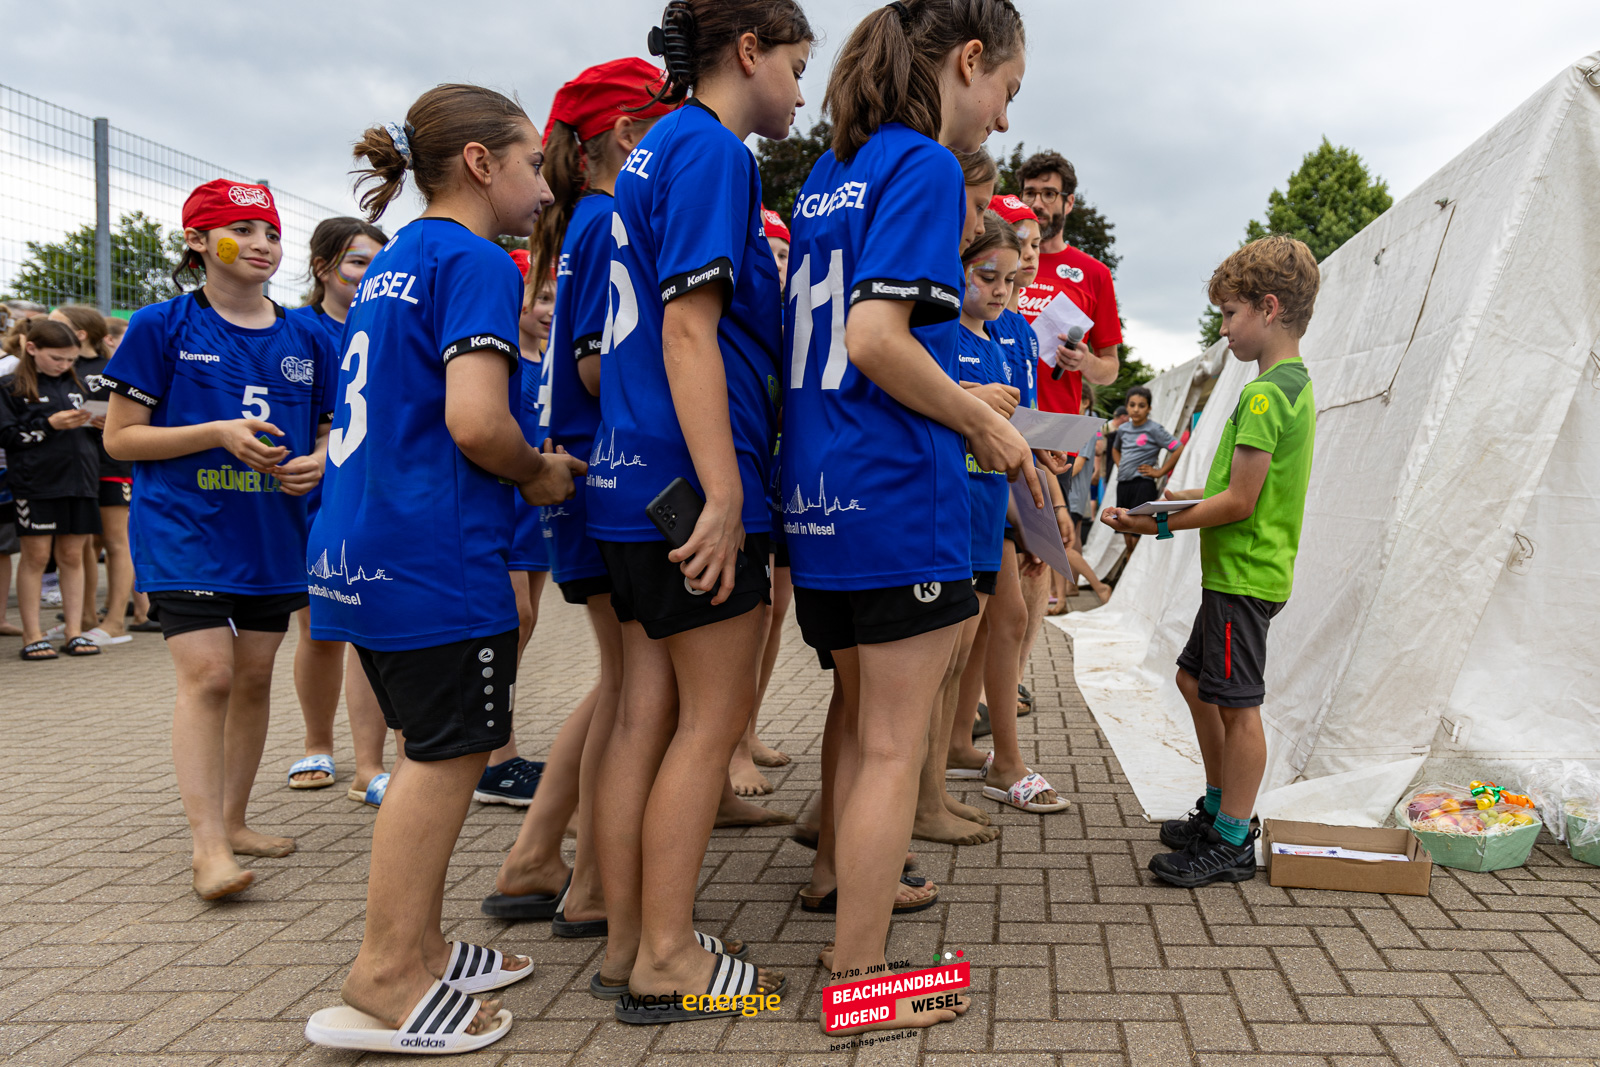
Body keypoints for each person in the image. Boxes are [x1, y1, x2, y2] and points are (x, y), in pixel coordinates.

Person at [301, 86, 585, 1054]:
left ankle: (419, 945)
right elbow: (474, 419)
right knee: (447, 754)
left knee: (433, 741)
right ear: (479, 162)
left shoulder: (396, 259)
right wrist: (539, 471)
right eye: (533, 163)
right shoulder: (475, 259)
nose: (544, 186)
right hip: (432, 550)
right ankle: (385, 970)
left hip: (360, 542)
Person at [785, 0, 1034, 1036]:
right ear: (969, 61)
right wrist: (983, 420)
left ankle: (837, 887)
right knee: (893, 745)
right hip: (893, 489)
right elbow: (877, 338)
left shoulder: (826, 172)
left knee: (857, 719)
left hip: (818, 489)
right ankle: (860, 978)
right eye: (1007, 91)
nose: (1003, 119)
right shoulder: (924, 165)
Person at [585, 1, 809, 1025]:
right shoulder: (714, 151)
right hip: (688, 479)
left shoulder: (653, 146)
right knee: (707, 722)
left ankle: (630, 937)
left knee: (644, 714)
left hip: (626, 474)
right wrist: (725, 492)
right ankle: (667, 955)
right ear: (749, 51)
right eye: (794, 66)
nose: (799, 93)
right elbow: (688, 331)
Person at [481, 59, 678, 946]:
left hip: (592, 469)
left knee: (621, 686)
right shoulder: (605, 220)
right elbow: (600, 364)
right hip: (605, 469)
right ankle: (590, 881)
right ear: (629, 136)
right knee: (637, 692)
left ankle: (538, 859)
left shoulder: (585, 220)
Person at [101, 179, 336, 899]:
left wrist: (320, 459)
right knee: (211, 676)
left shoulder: (307, 335)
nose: (263, 244)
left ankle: (234, 821)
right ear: (198, 241)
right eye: (243, 229)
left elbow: (333, 430)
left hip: (270, 533)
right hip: (186, 530)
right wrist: (216, 433)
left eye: (272, 232)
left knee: (256, 676)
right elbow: (119, 439)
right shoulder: (161, 325)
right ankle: (208, 850)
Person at [1102, 235, 1320, 887]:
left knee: (1237, 705)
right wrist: (1172, 500)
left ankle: (1232, 837)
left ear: (1268, 308)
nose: (1222, 329)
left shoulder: (1264, 395)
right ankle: (1223, 806)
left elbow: (1239, 503)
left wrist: (1154, 523)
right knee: (1194, 681)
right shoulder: (1291, 385)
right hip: (1243, 573)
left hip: (1243, 575)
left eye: (1229, 314)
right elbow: (1236, 488)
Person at [283, 217, 391, 797]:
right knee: (320, 631)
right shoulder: (296, 330)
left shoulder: (391, 322)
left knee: (369, 628)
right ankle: (316, 744)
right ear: (323, 268)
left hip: (374, 499)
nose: (368, 274)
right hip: (310, 498)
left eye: (378, 263)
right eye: (357, 261)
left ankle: (370, 766)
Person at [475, 249, 555, 805]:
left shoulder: (549, 362)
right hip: (503, 506)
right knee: (512, 620)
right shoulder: (499, 357)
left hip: (537, 512)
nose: (550, 309)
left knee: (523, 628)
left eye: (555, 298)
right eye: (540, 297)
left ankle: (498, 745)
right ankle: (494, 757)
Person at [729, 202, 797, 797]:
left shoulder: (793, 321)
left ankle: (748, 729)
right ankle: (730, 747)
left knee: (775, 612)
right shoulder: (741, 317)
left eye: (785, 256)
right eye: (769, 254)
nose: (778, 266)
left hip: (786, 480)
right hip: (751, 477)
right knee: (751, 612)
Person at [0, 318, 102, 660]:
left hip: (81, 481)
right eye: (57, 358)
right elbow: (8, 437)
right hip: (36, 484)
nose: (64, 365)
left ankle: (74, 631)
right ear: (31, 348)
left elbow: (93, 436)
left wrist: (99, 424)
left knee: (72, 556)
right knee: (37, 557)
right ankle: (32, 635)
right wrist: (48, 424)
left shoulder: (77, 385)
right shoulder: (10, 386)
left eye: (70, 359)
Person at [48, 304, 134, 647]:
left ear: (81, 333)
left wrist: (110, 420)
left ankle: (115, 621)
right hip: (75, 466)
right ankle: (83, 618)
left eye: (57, 324)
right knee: (79, 543)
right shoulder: (61, 368)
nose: (49, 328)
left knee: (115, 541)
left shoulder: (111, 366)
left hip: (111, 464)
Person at [1015, 150, 1119, 413]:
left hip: (1055, 427)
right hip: (995, 419)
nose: (1037, 203)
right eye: (1030, 193)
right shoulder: (998, 260)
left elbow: (1110, 369)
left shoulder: (1095, 273)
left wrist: (1085, 362)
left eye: (1049, 194)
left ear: (1069, 202)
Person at [1110, 384, 1180, 552]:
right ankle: (1128, 559)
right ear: (1127, 407)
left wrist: (1160, 472)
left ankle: (1133, 562)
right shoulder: (1123, 429)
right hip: (1123, 484)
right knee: (1124, 527)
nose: (1136, 409)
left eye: (1141, 405)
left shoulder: (1154, 429)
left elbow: (1178, 448)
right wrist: (1121, 466)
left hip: (1143, 485)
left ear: (1149, 408)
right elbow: (1115, 449)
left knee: (1138, 532)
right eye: (1132, 405)